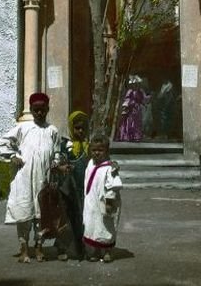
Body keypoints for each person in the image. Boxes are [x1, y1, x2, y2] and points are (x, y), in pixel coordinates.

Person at [0, 92, 60, 262]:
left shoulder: (52, 130)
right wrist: (12, 156)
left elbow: (57, 151)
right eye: (36, 110)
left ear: (47, 109)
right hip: (24, 177)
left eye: (43, 109)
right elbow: (3, 142)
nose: (40, 113)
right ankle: (24, 248)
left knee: (42, 214)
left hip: (43, 178)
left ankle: (39, 247)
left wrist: (55, 162)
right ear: (31, 110)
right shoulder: (23, 128)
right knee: (24, 211)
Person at [54, 110, 90, 260]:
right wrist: (62, 167)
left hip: (83, 188)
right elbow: (57, 163)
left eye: (83, 128)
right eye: (77, 128)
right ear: (71, 127)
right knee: (66, 217)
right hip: (68, 188)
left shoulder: (89, 146)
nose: (80, 131)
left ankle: (81, 248)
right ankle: (62, 248)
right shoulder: (64, 145)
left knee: (81, 217)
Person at [82, 132, 123, 263]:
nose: (97, 153)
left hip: (104, 202)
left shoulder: (109, 168)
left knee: (106, 226)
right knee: (92, 225)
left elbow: (111, 187)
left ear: (106, 151)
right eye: (94, 150)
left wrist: (109, 202)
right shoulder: (90, 164)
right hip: (91, 202)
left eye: (100, 150)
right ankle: (95, 250)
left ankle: (107, 251)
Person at [115, 75, 150, 142]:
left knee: (137, 123)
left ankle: (136, 136)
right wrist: (127, 105)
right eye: (135, 84)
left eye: (137, 84)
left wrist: (147, 99)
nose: (136, 85)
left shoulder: (140, 91)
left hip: (137, 109)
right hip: (130, 109)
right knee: (130, 122)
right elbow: (127, 99)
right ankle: (128, 136)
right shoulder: (130, 91)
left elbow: (144, 98)